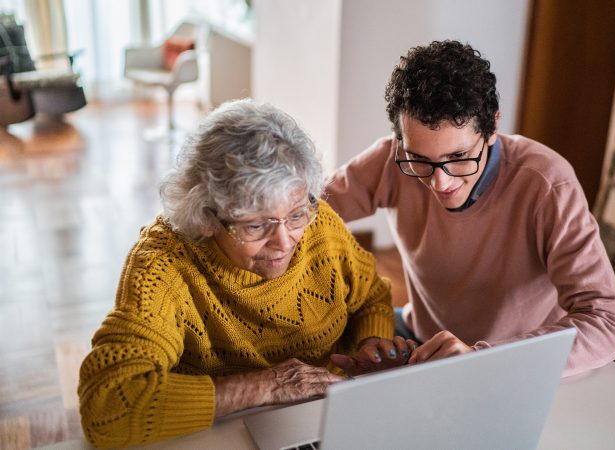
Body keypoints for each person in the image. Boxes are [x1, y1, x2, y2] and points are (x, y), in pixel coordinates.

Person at [77, 99, 413, 448]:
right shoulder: (163, 264)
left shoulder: (318, 223)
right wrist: (267, 385)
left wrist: (369, 344)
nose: (284, 242)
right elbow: (108, 407)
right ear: (207, 218)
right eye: (256, 226)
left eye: (296, 215)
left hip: (326, 420)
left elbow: (370, 295)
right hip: (226, 431)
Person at [325, 40, 615, 377]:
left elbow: (609, 322)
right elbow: (302, 209)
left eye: (458, 157)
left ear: (492, 127)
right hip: (419, 340)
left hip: (508, 361)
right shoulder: (392, 160)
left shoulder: (547, 184)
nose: (440, 183)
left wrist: (481, 359)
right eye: (420, 159)